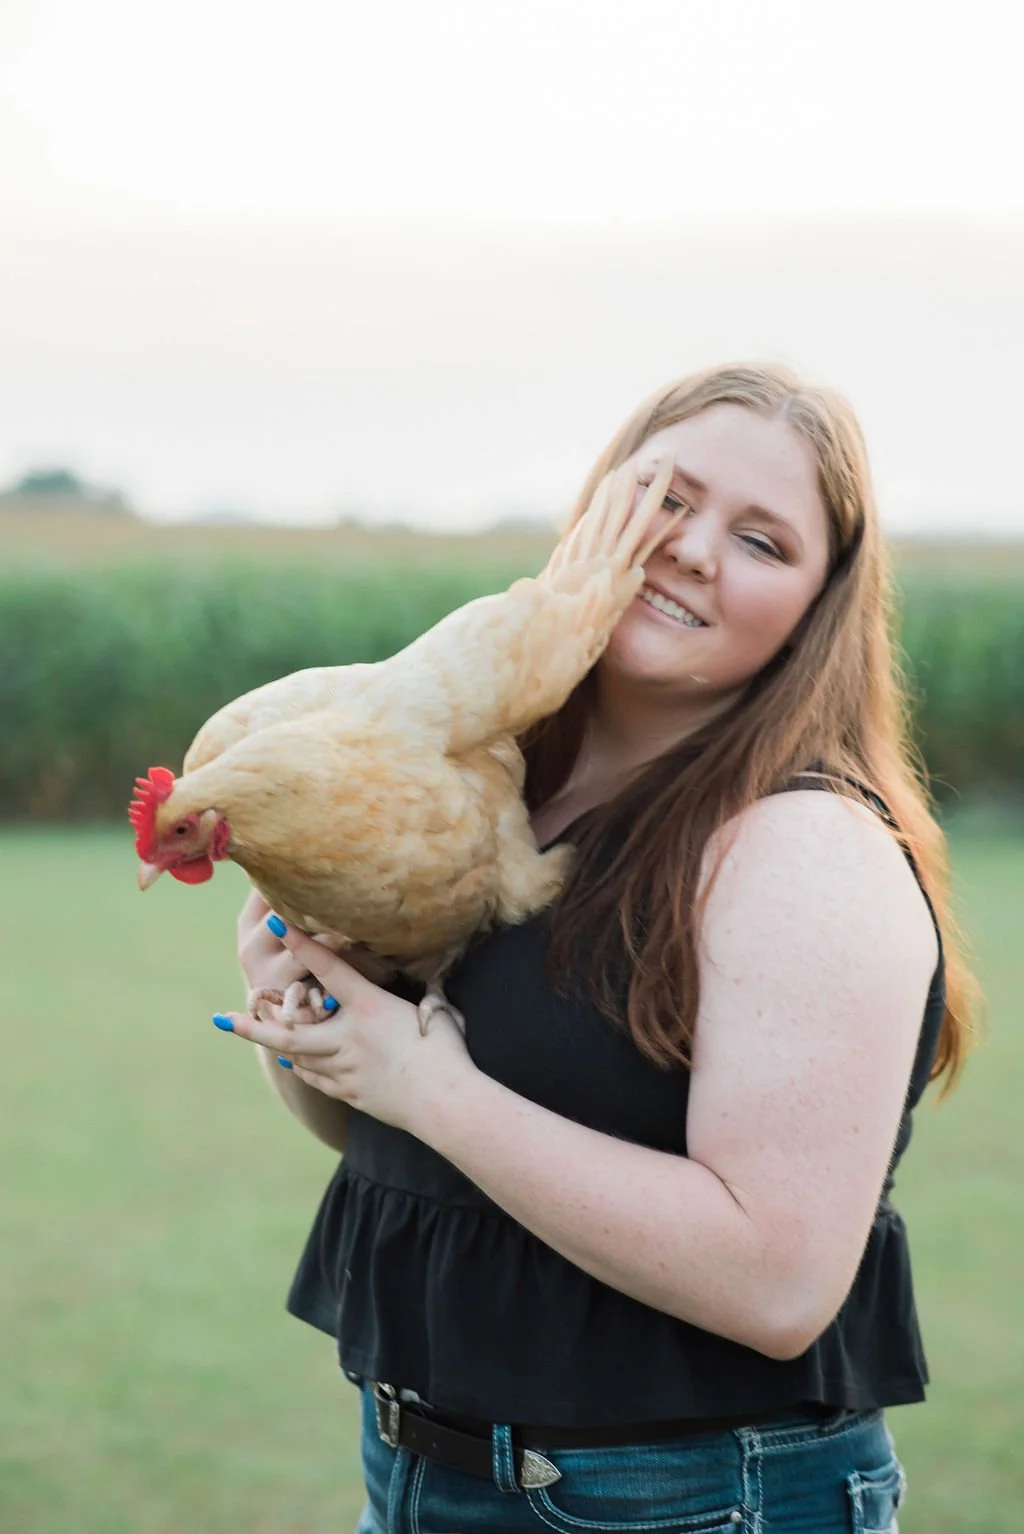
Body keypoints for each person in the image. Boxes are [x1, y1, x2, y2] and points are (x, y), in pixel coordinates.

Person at [217, 363, 978, 1534]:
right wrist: (313, 1026)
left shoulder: (798, 846)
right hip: (422, 1475)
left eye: (763, 542)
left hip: (680, 1502)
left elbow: (777, 1283)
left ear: (818, 609)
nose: (689, 548)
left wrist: (433, 1085)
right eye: (667, 497)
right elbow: (397, 1139)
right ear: (599, 503)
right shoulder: (486, 780)